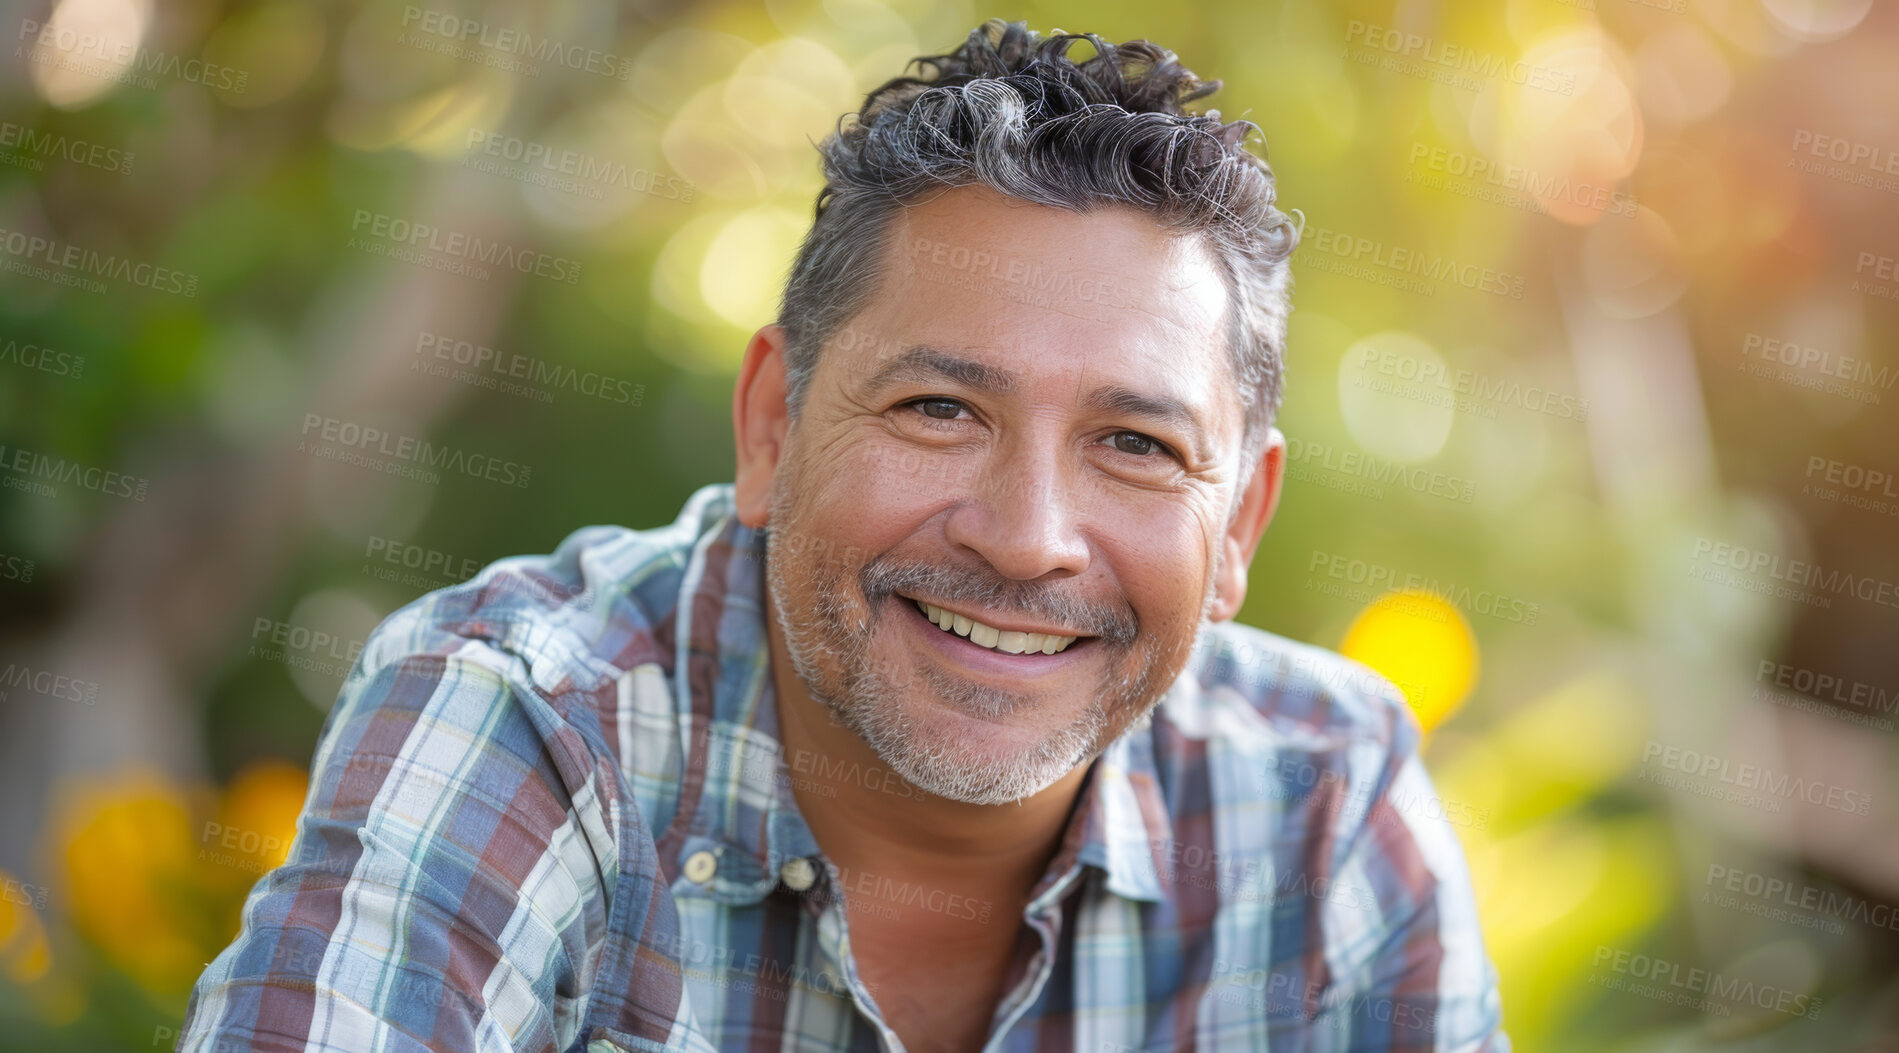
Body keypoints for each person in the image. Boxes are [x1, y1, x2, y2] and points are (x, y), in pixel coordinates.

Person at [181, 19, 1506, 1053]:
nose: (1028, 538)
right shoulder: (535, 722)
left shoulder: (1322, 797)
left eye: (1137, 444)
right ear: (770, 426)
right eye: (939, 407)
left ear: (1239, 528)